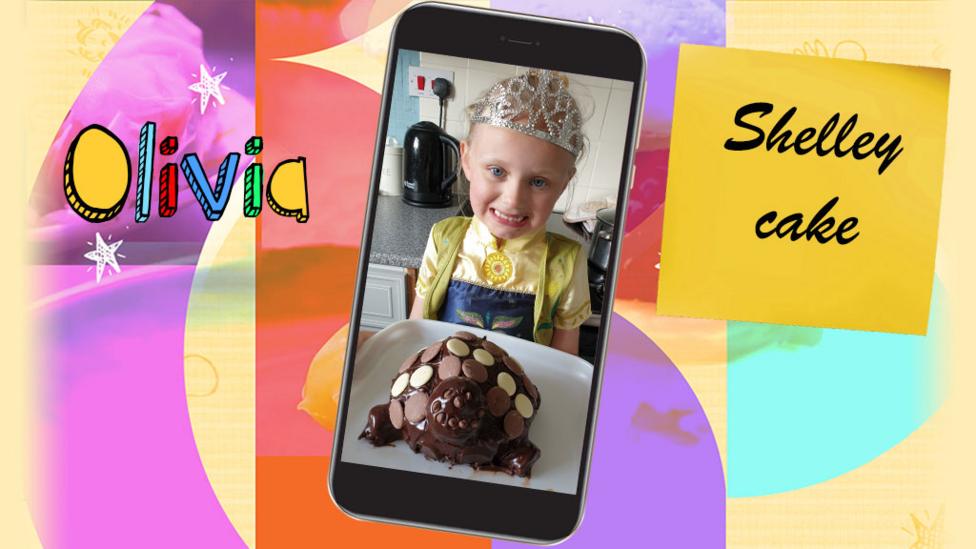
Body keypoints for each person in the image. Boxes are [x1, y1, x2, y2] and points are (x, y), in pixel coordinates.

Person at [409, 69, 591, 356]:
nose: (513, 200)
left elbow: (565, 362)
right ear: (467, 160)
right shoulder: (443, 238)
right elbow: (415, 333)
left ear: (564, 183)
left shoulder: (566, 263)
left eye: (538, 182)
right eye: (497, 171)